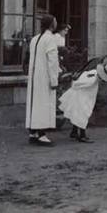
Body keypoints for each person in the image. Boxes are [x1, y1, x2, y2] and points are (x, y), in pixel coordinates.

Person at [59, 62, 107, 143]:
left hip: (84, 97)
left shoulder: (93, 74)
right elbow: (76, 84)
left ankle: (74, 132)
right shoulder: (92, 79)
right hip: (81, 97)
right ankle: (82, 135)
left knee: (78, 115)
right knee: (83, 115)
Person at [26, 14, 61, 146]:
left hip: (34, 77)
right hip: (44, 77)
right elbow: (52, 61)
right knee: (43, 104)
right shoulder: (50, 39)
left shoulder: (35, 39)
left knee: (34, 103)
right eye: (55, 21)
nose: (56, 23)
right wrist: (54, 80)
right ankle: (41, 134)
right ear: (51, 24)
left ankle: (33, 132)